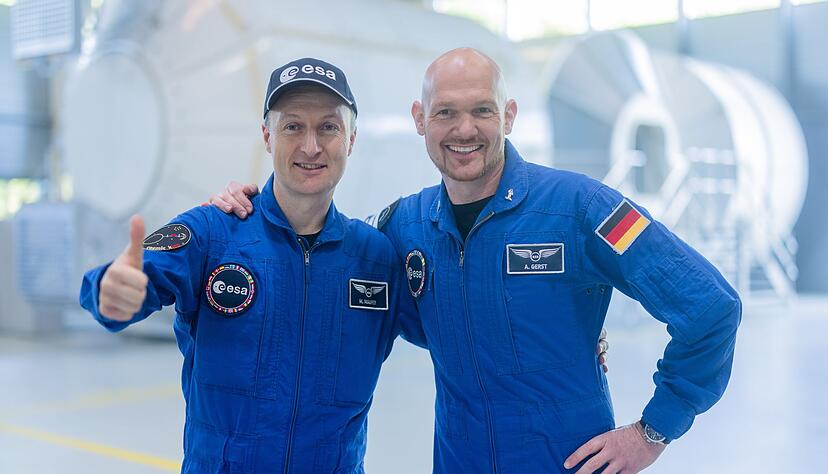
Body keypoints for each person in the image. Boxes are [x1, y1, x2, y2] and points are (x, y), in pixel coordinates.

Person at [211, 48, 740, 473]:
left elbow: (710, 306)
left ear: (508, 115)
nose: (464, 130)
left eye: (482, 110)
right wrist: (246, 212)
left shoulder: (583, 208)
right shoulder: (403, 225)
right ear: (420, 120)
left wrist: (652, 431)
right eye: (445, 112)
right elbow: (325, 253)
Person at [79, 58, 427, 473]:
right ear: (267, 136)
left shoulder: (376, 259)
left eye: (328, 127)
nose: (311, 146)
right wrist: (108, 290)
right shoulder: (211, 232)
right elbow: (134, 279)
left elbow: (450, 333)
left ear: (350, 140)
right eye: (293, 126)